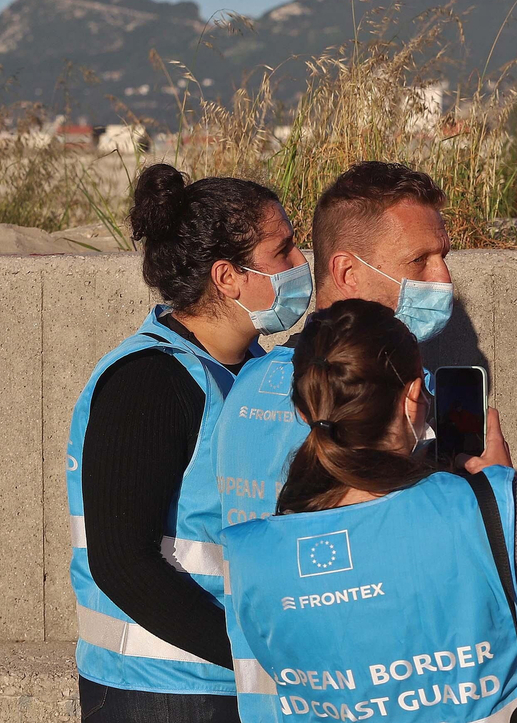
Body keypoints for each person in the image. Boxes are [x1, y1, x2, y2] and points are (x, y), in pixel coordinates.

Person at [220, 299, 517, 722]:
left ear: (303, 411)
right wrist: (491, 495)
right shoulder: (491, 504)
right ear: (412, 397)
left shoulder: (249, 553)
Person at [212, 161, 459, 719]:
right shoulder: (352, 400)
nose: (441, 279)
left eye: (444, 257)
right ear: (347, 272)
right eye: (419, 260)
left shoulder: (252, 382)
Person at [67, 163, 310, 722]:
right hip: (163, 691)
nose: (302, 266)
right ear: (228, 278)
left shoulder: (256, 372)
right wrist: (259, 657)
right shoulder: (148, 381)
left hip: (241, 682)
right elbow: (122, 564)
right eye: (285, 251)